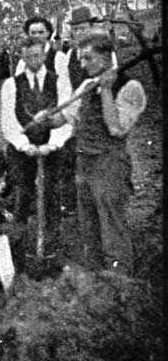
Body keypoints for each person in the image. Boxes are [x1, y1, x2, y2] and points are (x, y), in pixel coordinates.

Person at [33, 33, 146, 274]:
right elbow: (64, 117)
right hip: (84, 162)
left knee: (111, 224)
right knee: (89, 225)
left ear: (106, 57)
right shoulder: (86, 86)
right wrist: (45, 119)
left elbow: (116, 128)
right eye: (81, 59)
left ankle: (119, 282)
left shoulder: (131, 87)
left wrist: (106, 90)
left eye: (88, 58)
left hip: (110, 163)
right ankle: (95, 281)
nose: (82, 65)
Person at [1, 37, 73, 254]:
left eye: (38, 55)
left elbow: (66, 117)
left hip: (51, 148)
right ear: (22, 57)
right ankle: (20, 245)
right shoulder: (11, 84)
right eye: (28, 55)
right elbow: (8, 121)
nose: (34, 59)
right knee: (22, 193)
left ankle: (51, 245)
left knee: (51, 193)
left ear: (44, 55)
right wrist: (24, 145)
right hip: (22, 150)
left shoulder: (59, 81)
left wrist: (53, 144)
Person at [57, 6, 119, 216]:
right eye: (76, 30)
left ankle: (104, 202)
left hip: (101, 108)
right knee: (69, 154)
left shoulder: (104, 52)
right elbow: (66, 88)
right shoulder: (69, 56)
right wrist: (70, 115)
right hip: (77, 109)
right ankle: (73, 205)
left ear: (92, 27)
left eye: (84, 28)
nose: (80, 33)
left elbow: (111, 79)